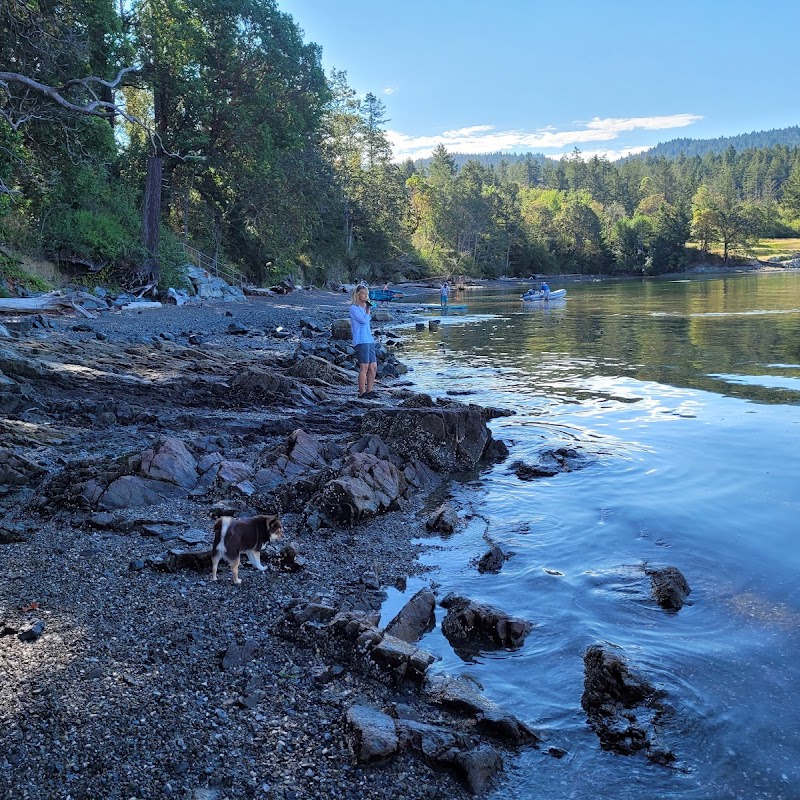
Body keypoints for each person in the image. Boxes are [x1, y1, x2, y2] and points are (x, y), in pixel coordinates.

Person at [349, 284, 377, 398]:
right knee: (364, 367)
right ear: (357, 295)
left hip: (369, 339)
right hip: (361, 340)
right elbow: (364, 321)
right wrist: (368, 309)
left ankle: (370, 391)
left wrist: (368, 307)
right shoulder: (354, 308)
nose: (366, 296)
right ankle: (361, 392)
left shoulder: (365, 307)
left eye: (367, 294)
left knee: (373, 366)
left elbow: (373, 307)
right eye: (363, 293)